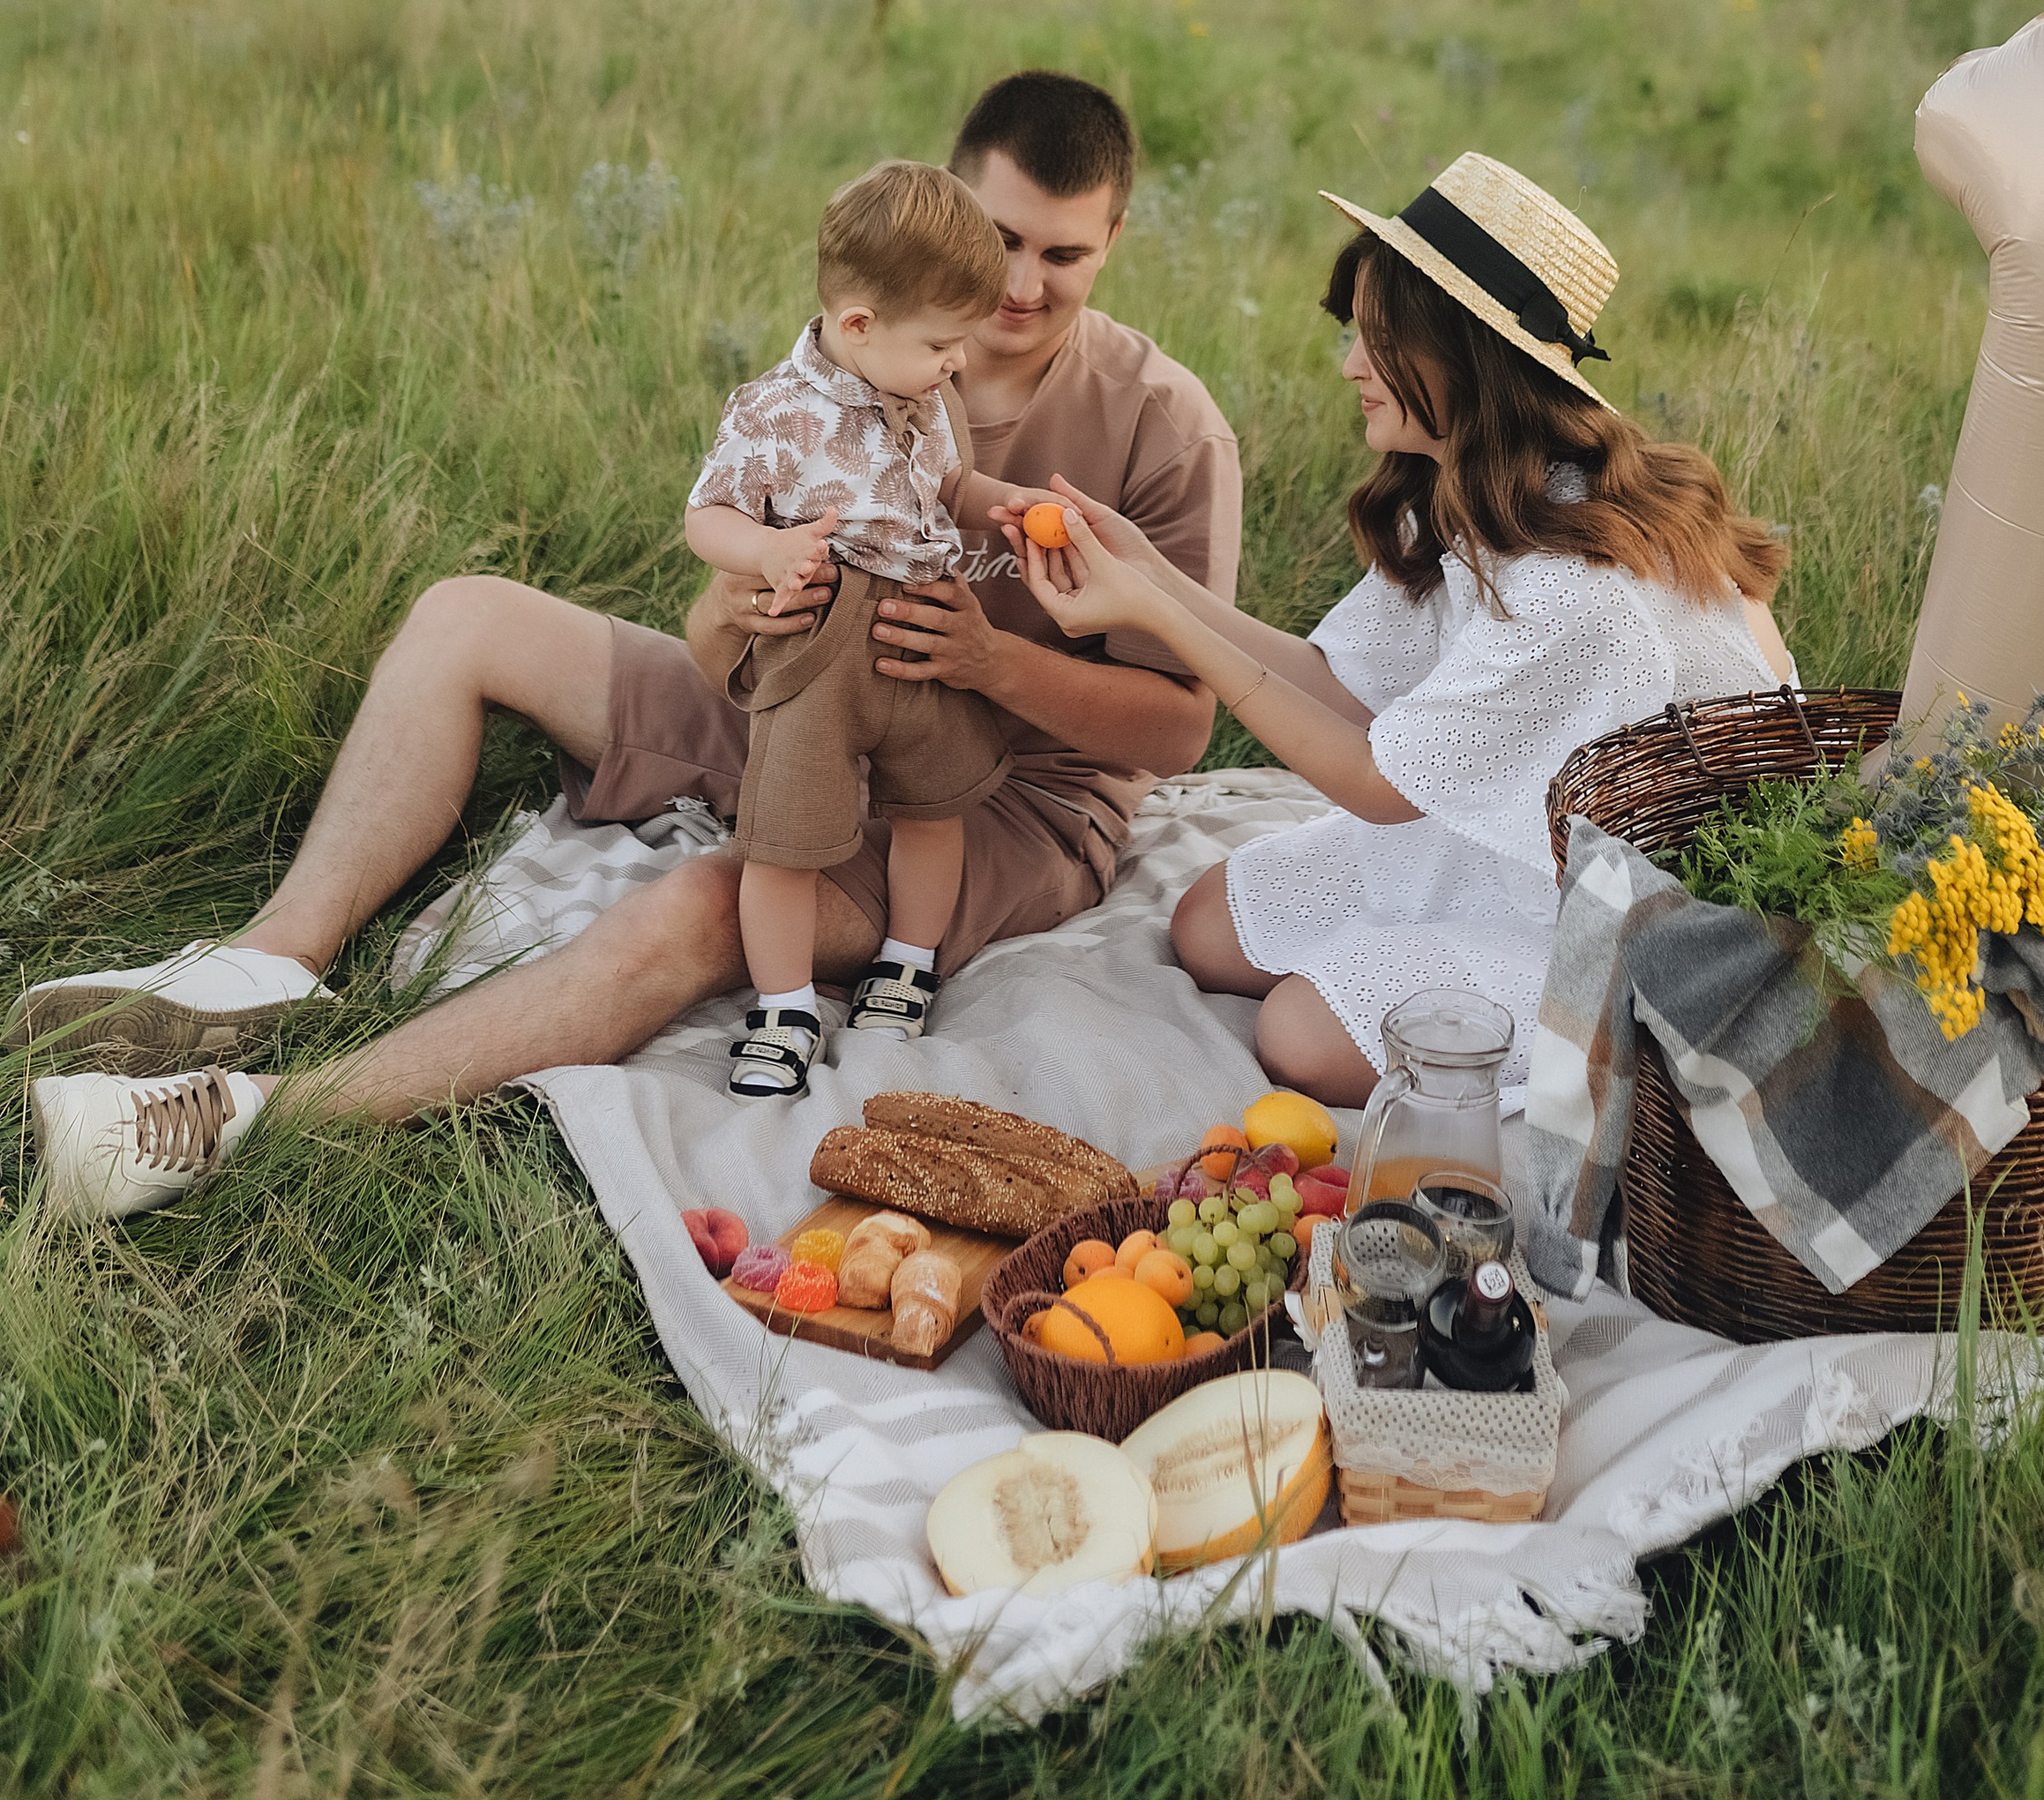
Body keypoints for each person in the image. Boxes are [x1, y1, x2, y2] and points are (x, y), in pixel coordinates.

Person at [23, 71, 1240, 1219]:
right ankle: (266, 964)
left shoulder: (1164, 423)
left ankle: (243, 1115)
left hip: (1002, 798)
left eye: (1064, 253)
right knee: (467, 611)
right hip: (810, 706)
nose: (1020, 284)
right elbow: (719, 634)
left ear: (1116, 238)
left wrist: (994, 664)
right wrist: (744, 615)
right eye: (1000, 238)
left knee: (695, 908)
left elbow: (1183, 725)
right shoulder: (862, 349)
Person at [1013, 149, 1793, 1106]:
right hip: (1520, 844)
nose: (1350, 367)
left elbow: (1381, 787)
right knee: (1206, 924)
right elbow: (1340, 689)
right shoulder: (1478, 491)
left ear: (1460, 356)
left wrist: (1156, 613)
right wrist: (1151, 575)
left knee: (1297, 1035)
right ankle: (1410, 949)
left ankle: (1541, 1017)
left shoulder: (1569, 584)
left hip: (1624, 915)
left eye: (1377, 342)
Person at [683, 160, 1023, 1097]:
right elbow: (706, 515)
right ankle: (784, 1004)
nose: (960, 361)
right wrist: (763, 552)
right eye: (945, 342)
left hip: (919, 630)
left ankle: (907, 963)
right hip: (819, 646)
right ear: (859, 324)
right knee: (781, 838)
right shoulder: (770, 411)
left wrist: (1004, 506)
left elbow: (948, 486)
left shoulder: (923, 391)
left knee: (932, 805)